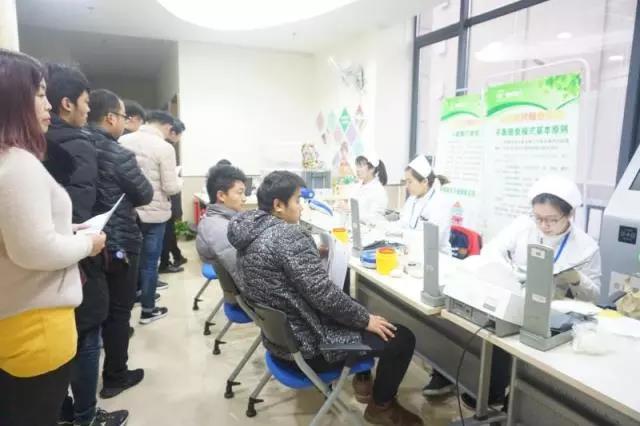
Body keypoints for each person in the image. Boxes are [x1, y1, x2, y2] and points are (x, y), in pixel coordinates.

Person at [228, 171, 423, 426]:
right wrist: (366, 320)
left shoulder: (250, 233)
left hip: (281, 343)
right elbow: (323, 294)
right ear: (278, 205)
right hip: (311, 346)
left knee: (353, 307)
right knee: (401, 337)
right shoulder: (287, 236)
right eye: (297, 200)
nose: (301, 207)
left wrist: (310, 255)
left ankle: (363, 380)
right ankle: (381, 407)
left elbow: (281, 273)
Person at [0, 49, 105, 426]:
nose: (47, 104)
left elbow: (19, 233)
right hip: (37, 326)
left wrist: (67, 230)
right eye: (39, 94)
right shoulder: (17, 164)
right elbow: (35, 250)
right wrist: (88, 243)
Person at [42, 64, 127, 425]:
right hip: (75, 256)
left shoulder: (37, 141)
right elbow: (75, 209)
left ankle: (63, 407)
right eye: (85, 102)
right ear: (68, 103)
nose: (87, 110)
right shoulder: (78, 144)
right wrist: (88, 238)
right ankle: (87, 415)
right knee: (87, 333)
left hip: (45, 270)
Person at [86, 89, 154, 400]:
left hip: (82, 241)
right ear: (111, 118)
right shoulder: (117, 153)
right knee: (118, 311)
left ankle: (79, 395)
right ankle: (115, 377)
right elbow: (144, 193)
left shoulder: (70, 145)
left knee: (89, 314)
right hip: (119, 241)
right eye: (124, 116)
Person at [484, 174, 601, 301]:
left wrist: (577, 279)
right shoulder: (523, 225)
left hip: (555, 305)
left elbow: (594, 297)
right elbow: (491, 250)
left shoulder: (586, 247)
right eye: (538, 218)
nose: (543, 225)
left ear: (570, 214)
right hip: (516, 296)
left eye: (552, 219)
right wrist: (507, 272)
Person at [120, 110, 181, 324]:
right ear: (167, 126)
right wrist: (179, 182)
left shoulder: (124, 140)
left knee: (130, 260)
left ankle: (133, 298)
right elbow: (170, 187)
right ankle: (148, 309)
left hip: (129, 212)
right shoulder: (164, 147)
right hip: (155, 214)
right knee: (150, 263)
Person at [196, 164, 247, 286]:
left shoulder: (218, 220)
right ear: (221, 196)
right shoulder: (221, 230)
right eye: (240, 193)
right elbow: (243, 277)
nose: (244, 198)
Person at [399, 155, 452, 253]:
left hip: (435, 256)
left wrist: (404, 234)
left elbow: (431, 240)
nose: (406, 186)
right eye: (406, 182)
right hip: (412, 250)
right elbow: (402, 223)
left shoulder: (440, 203)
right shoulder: (412, 199)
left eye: (410, 182)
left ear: (424, 181)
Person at [159, 118, 188, 274]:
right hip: (167, 197)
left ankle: (176, 256)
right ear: (173, 132)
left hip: (165, 198)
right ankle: (167, 262)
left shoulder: (163, 146)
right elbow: (169, 182)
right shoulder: (166, 147)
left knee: (168, 231)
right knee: (168, 232)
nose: (180, 138)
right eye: (180, 134)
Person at [352, 151, 389, 223]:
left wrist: (351, 212)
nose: (357, 169)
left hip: (371, 229)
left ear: (372, 169)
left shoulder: (378, 191)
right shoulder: (358, 186)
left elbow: (375, 218)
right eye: (357, 166)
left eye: (361, 166)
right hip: (355, 226)